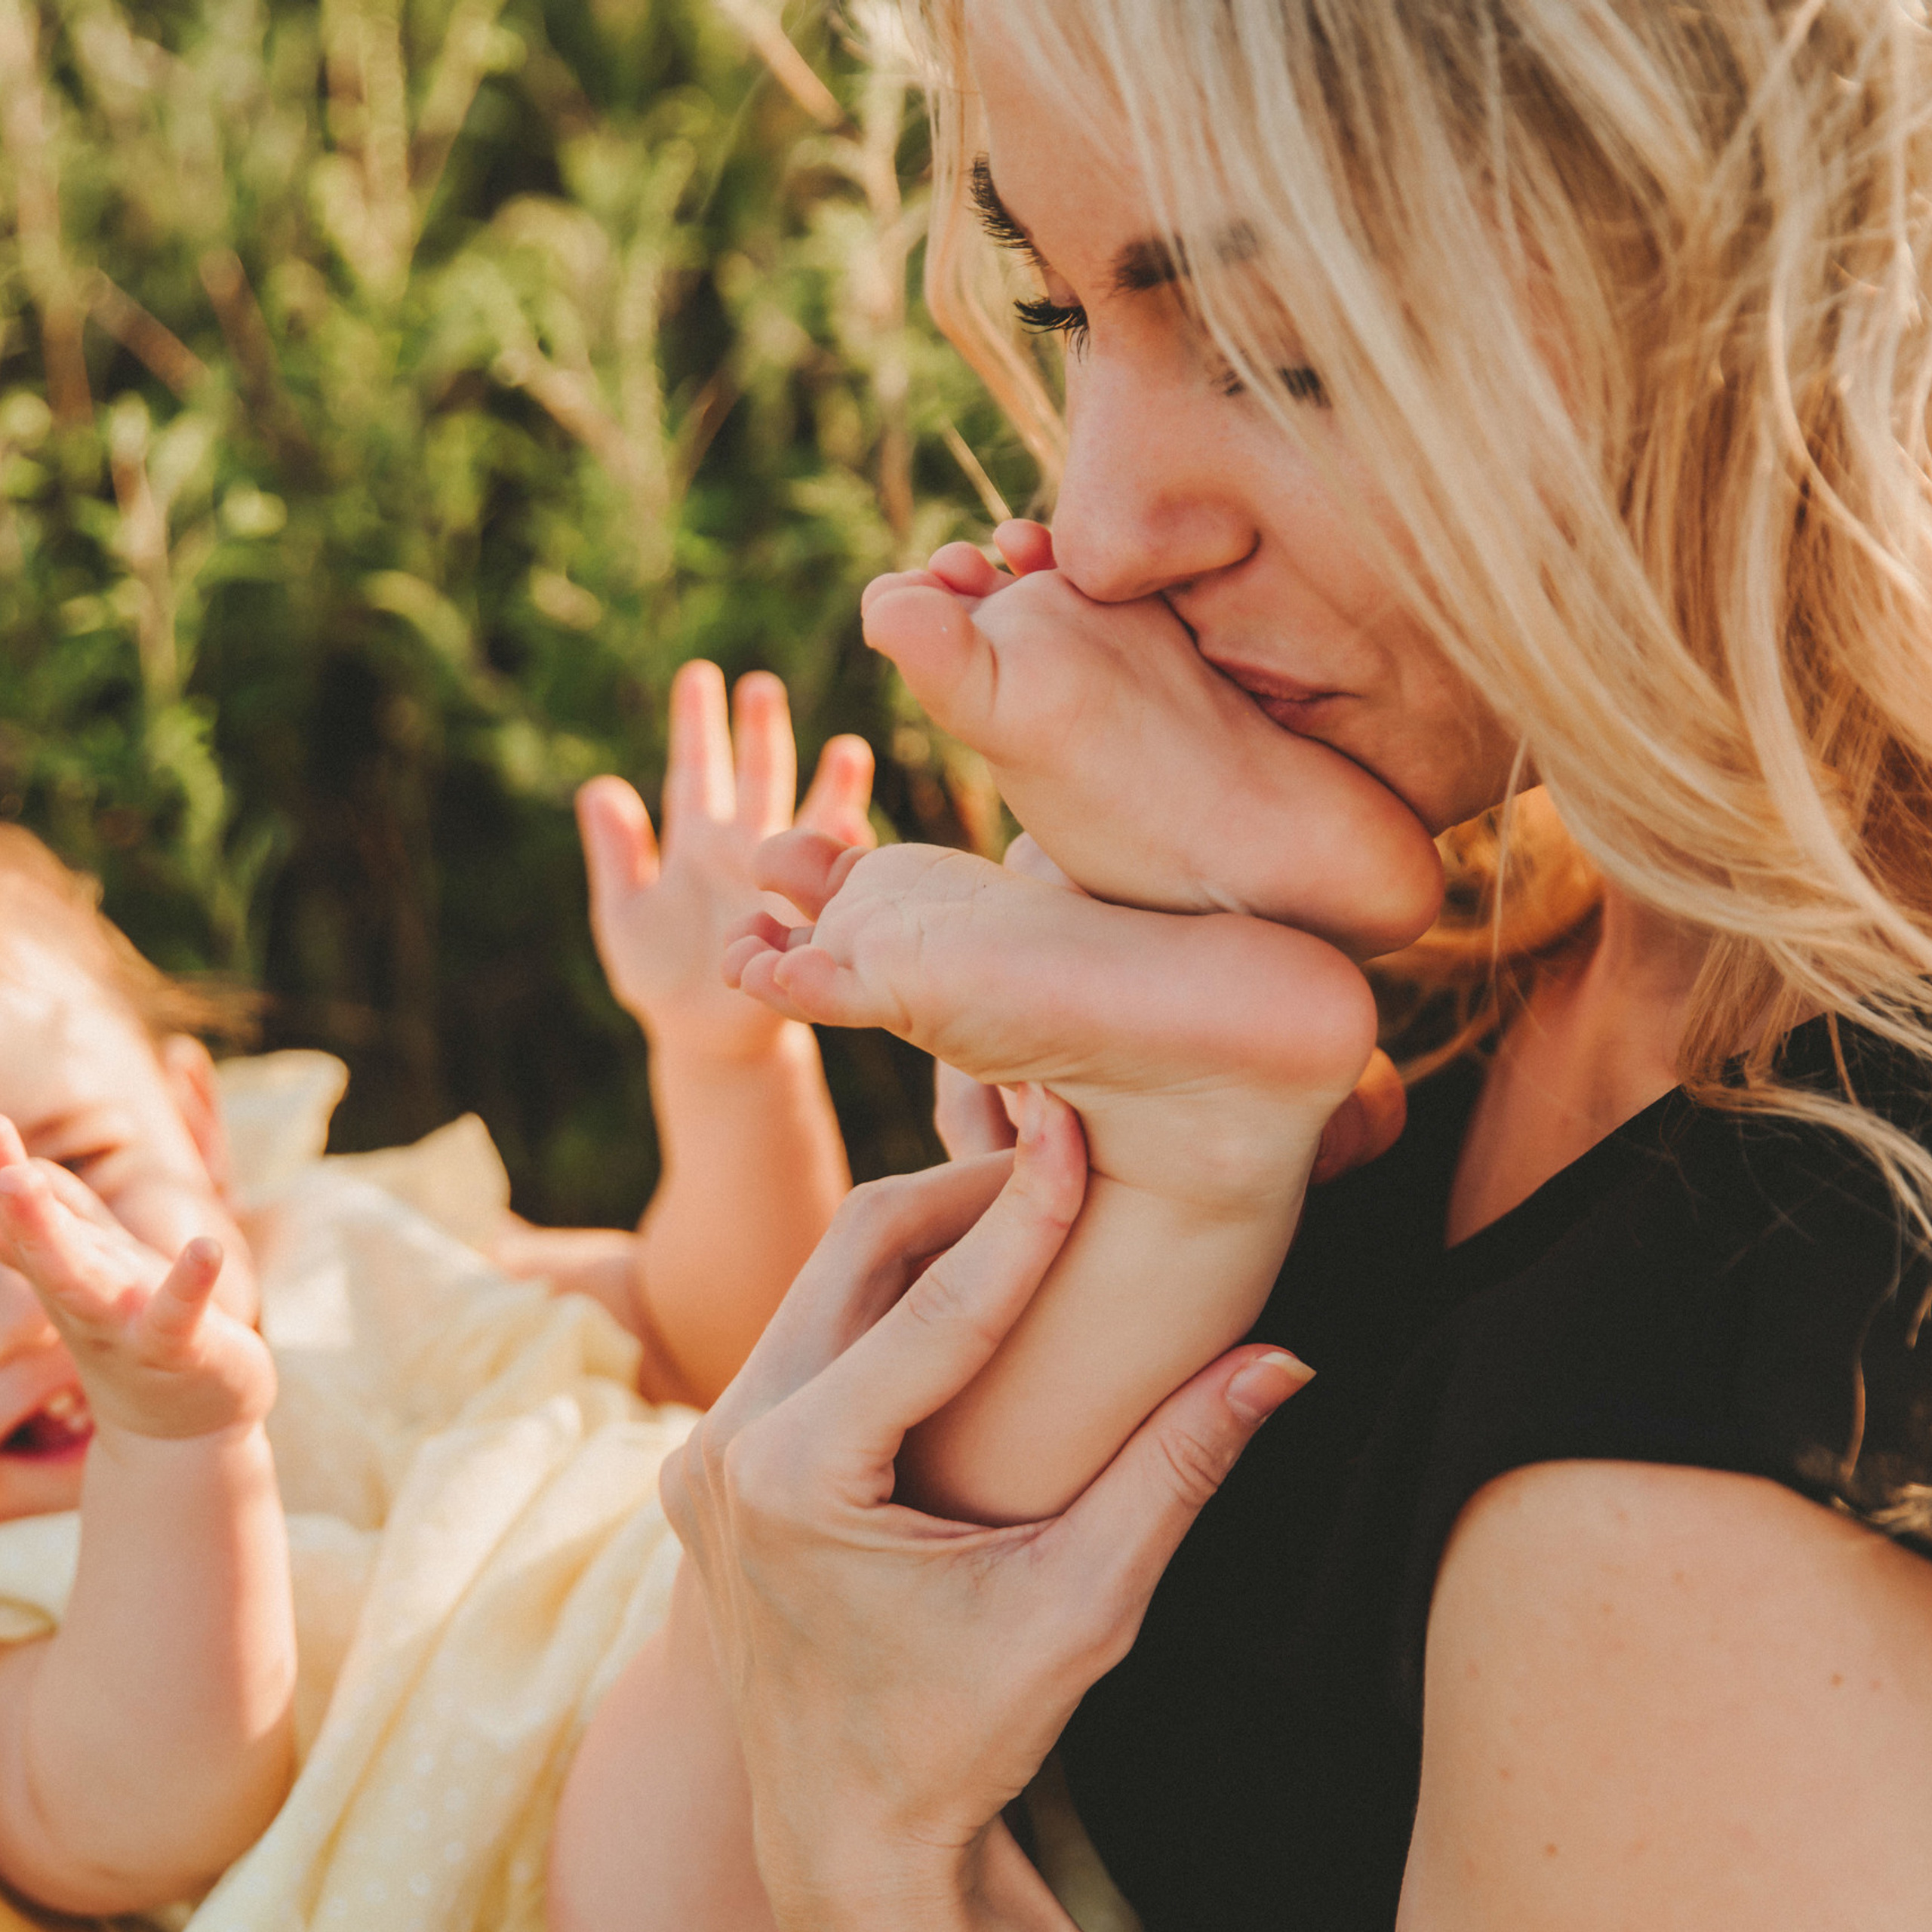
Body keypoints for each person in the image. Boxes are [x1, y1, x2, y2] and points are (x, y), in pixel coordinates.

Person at [590, 2, 1932, 1927]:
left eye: (1286, 356)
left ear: (1769, 273)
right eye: (1061, 315)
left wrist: (871, 1837)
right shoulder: (1495, 942)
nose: (1099, 527)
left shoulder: (1720, 1514)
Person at [0, 664, 872, 1927]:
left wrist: (726, 1054)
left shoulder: (356, 1247)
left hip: (740, 1601)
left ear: (201, 1132)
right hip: (565, 1848)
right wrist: (177, 1440)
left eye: (79, 1168)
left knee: (897, 1429)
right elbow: (148, 1826)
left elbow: (732, 1342)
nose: (39, 1296)